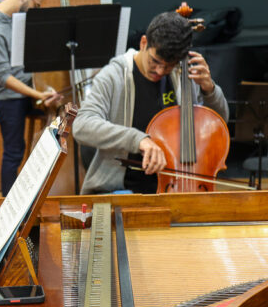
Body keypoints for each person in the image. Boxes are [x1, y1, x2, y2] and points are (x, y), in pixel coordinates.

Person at [71, 11, 229, 194]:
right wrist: (138, 139)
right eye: (155, 61)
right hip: (124, 190)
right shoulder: (114, 76)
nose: (161, 71)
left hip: (180, 188)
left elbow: (218, 126)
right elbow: (82, 125)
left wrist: (210, 90)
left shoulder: (184, 74)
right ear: (144, 43)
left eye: (169, 65)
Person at [0, 0, 62, 196]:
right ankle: (8, 205)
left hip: (24, 92)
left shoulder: (9, 16)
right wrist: (39, 94)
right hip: (6, 98)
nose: (34, 10)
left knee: (61, 112)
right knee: (14, 152)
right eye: (35, 5)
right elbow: (4, 77)